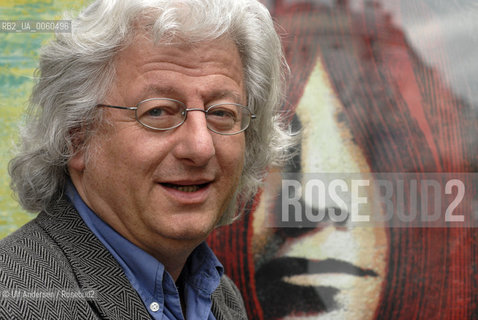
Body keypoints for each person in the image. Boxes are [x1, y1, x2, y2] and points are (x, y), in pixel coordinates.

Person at [0, 0, 292, 319]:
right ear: (77, 137)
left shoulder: (220, 296)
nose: (200, 146)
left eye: (221, 113)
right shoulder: (17, 302)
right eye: (158, 111)